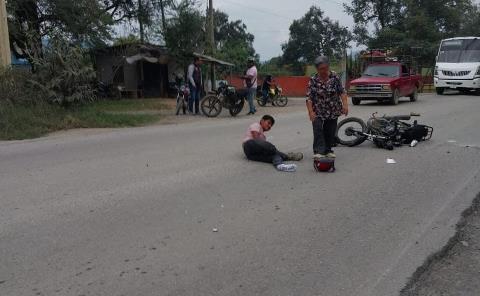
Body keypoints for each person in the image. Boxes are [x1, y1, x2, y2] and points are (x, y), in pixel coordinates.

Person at [306, 56, 349, 159]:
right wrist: (311, 112)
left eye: (325, 68)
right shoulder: (313, 80)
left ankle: (328, 150)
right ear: (317, 69)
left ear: (328, 67)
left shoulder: (335, 77)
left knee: (330, 130)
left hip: (333, 109)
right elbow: (309, 97)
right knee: (318, 129)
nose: (324, 71)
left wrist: (345, 105)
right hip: (318, 109)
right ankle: (319, 151)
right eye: (321, 69)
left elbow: (342, 92)